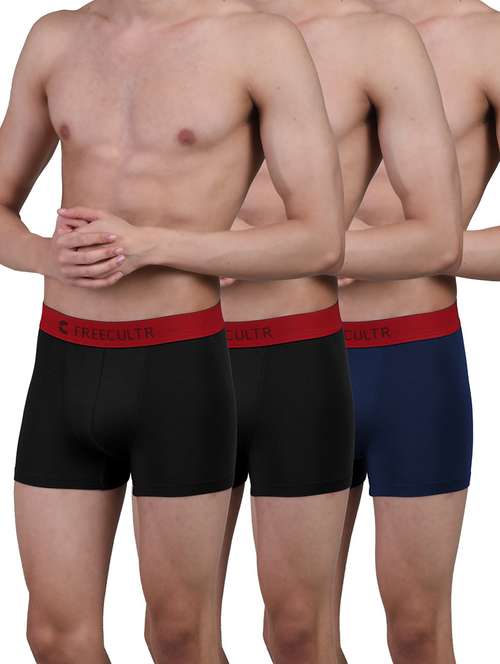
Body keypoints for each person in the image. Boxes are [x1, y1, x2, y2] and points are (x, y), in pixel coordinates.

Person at [58, 1, 462, 662]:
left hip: (328, 351)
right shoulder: (174, 38)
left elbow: (438, 238)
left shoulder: (381, 40)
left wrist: (286, 251)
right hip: (188, 348)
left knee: (308, 631)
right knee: (173, 633)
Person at [0, 2, 345, 662]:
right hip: (63, 362)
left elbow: (321, 239)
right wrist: (45, 254)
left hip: (177, 368)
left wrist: (154, 245)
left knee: (179, 636)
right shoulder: (56, 37)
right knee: (53, 637)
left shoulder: (258, 41)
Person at [334, 1, 500, 662]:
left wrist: (401, 249)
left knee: (415, 630)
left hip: (410, 361)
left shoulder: (483, 40)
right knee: (289, 630)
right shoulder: (275, 29)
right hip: (282, 350)